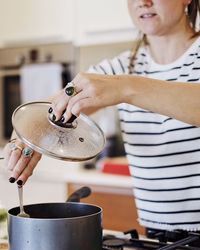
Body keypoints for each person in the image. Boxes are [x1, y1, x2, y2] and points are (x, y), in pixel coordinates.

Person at [4, 0, 200, 242]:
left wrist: (126, 87)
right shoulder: (121, 66)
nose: (143, 2)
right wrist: (23, 136)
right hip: (157, 235)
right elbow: (51, 108)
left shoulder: (122, 78)